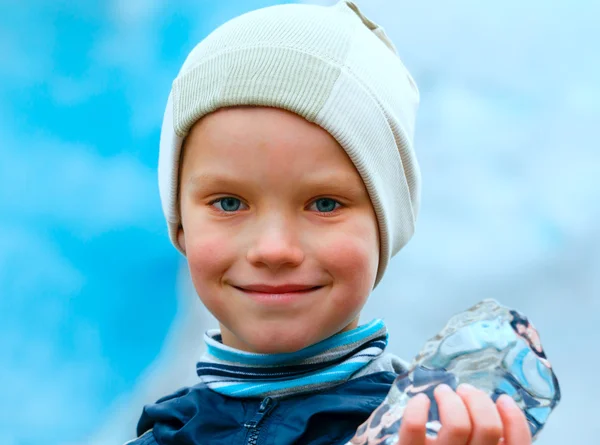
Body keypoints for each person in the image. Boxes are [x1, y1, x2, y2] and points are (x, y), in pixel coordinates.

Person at [125, 1, 532, 444]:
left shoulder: (423, 433)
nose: (274, 248)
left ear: (386, 223)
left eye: (323, 204)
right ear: (181, 225)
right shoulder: (167, 433)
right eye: (228, 203)